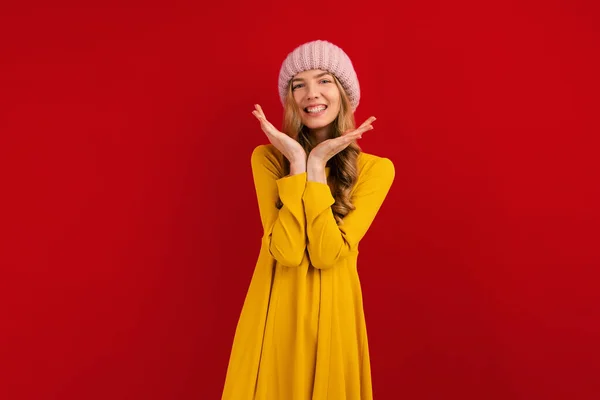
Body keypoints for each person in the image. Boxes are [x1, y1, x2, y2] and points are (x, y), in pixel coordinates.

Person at [222, 39, 395, 400]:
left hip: (335, 318)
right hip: (273, 314)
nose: (310, 93)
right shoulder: (268, 159)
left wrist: (317, 167)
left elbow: (325, 255)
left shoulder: (376, 170)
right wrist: (298, 163)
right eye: (297, 84)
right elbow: (284, 252)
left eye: (324, 80)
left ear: (344, 93)